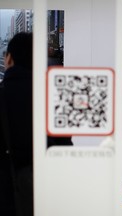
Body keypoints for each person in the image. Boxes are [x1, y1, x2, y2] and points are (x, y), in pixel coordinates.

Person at [0, 32, 72, 216]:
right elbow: (65, 147)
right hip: (47, 192)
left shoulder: (3, 93)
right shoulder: (57, 97)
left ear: (9, 59)